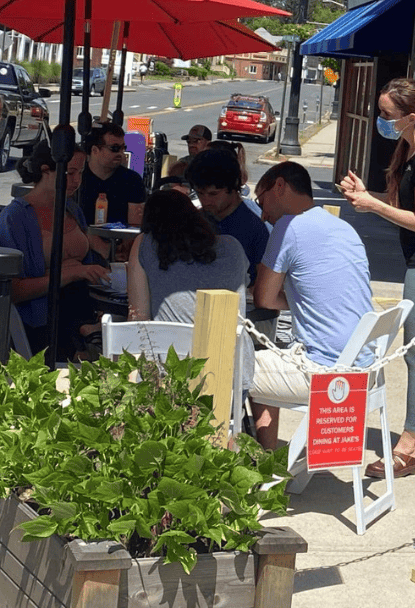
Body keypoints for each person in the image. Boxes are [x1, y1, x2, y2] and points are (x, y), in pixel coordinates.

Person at [341, 77, 415, 479]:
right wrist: (370, 194)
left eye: (387, 115)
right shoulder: (414, 148)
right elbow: (405, 202)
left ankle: (408, 447)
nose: (382, 120)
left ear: (411, 117)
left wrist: (371, 207)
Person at [250, 161, 374, 448]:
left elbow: (263, 298)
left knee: (231, 365)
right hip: (365, 368)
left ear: (279, 186)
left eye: (262, 199)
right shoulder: (343, 228)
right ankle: (268, 458)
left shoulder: (288, 227)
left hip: (325, 373)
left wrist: (295, 299)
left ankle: (259, 461)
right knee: (266, 360)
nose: (263, 213)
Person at [186, 148, 274, 445]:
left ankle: (259, 443)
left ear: (233, 189)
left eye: (212, 194)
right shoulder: (197, 219)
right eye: (199, 193)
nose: (205, 201)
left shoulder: (252, 227)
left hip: (242, 322)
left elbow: (265, 284)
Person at [0, 130, 110, 358]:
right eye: (70, 173)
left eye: (80, 173)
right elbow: (15, 290)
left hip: (79, 302)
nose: (77, 181)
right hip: (40, 317)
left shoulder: (72, 209)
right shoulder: (16, 218)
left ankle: (87, 330)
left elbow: (89, 259)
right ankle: (85, 332)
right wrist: (73, 273)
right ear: (45, 171)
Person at [126, 189, 254, 381]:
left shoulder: (145, 244)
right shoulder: (233, 246)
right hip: (233, 375)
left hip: (173, 377)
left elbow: (138, 317)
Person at [77, 123, 146, 227]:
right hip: (82, 239)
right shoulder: (77, 178)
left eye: (123, 148)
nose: (121, 153)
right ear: (95, 150)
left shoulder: (132, 180)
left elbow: (135, 226)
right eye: (114, 148)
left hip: (119, 240)